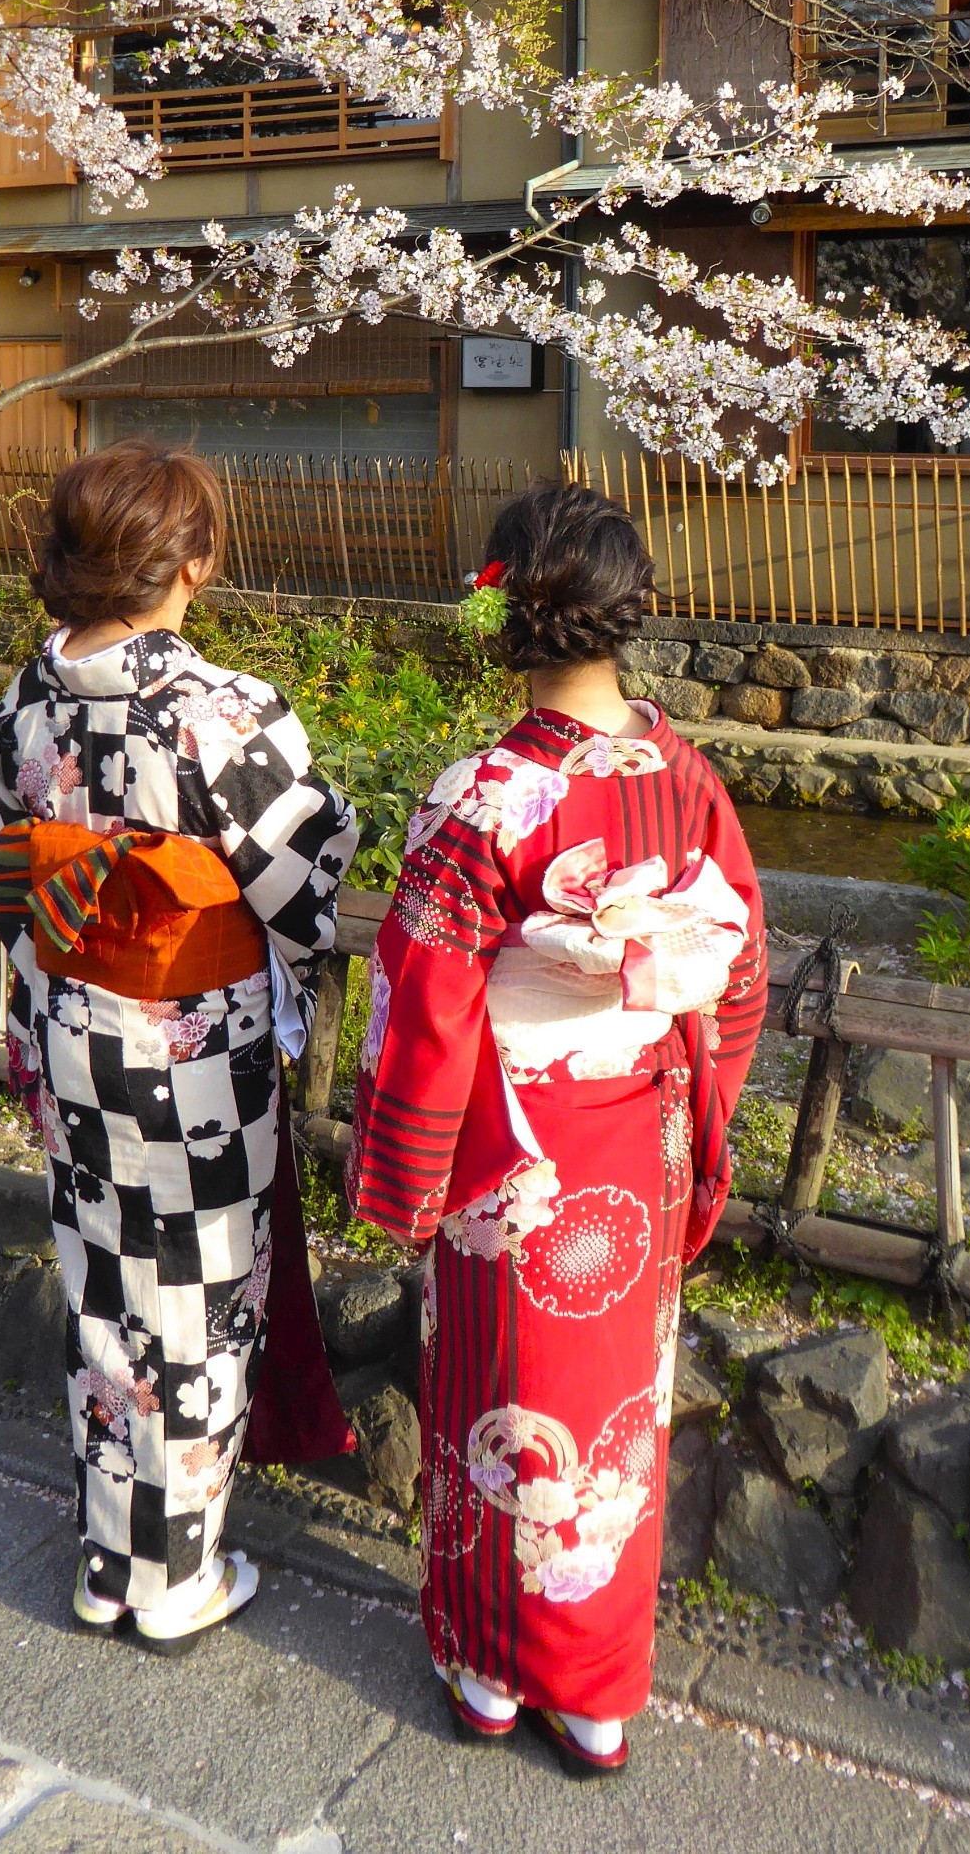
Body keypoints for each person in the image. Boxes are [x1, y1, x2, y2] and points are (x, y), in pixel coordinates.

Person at [345, 479, 768, 1778]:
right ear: (626, 612)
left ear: (505, 611)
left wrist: (406, 1169)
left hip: (506, 1143)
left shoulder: (478, 794)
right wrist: (694, 1111)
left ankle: (483, 1668)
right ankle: (595, 1697)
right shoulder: (685, 775)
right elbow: (736, 968)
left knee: (491, 1393)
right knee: (613, 1421)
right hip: (633, 1134)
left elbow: (423, 994)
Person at [0, 440, 357, 1648]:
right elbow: (306, 874)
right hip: (193, 1053)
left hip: (74, 1026)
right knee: (193, 1296)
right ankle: (172, 1574)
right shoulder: (217, 708)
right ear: (192, 563)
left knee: (102, 1285)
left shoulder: (22, 702)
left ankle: (108, 1555)